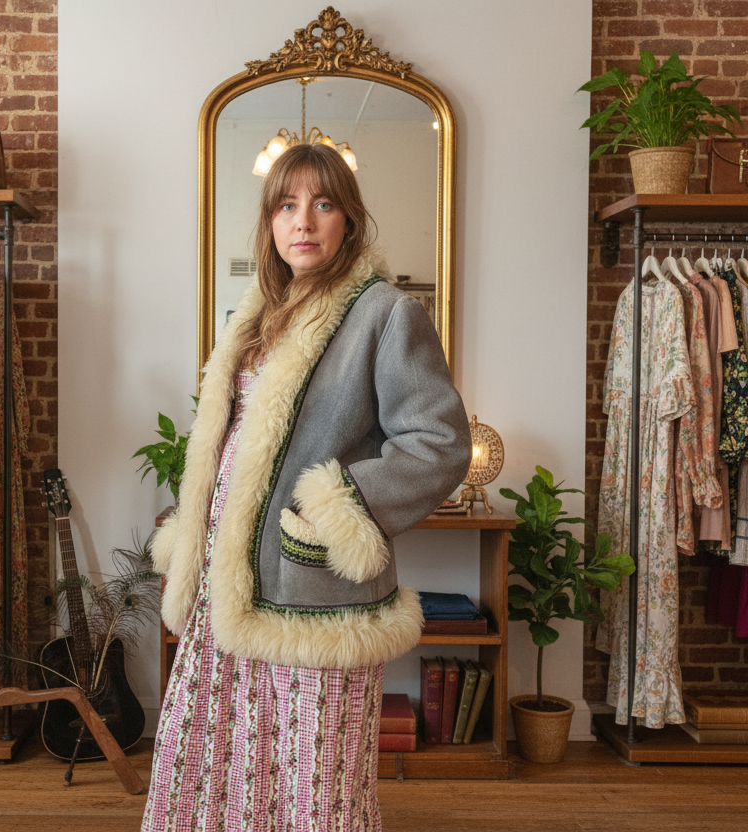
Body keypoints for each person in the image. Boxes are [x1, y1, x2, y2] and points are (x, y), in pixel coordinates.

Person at [141, 142, 471, 831]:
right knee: (218, 774)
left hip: (309, 591)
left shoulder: (385, 313)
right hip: (223, 586)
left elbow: (439, 444)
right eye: (286, 205)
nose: (304, 221)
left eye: (323, 203)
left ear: (348, 217)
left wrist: (331, 509)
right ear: (269, 221)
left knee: (313, 786)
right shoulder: (254, 317)